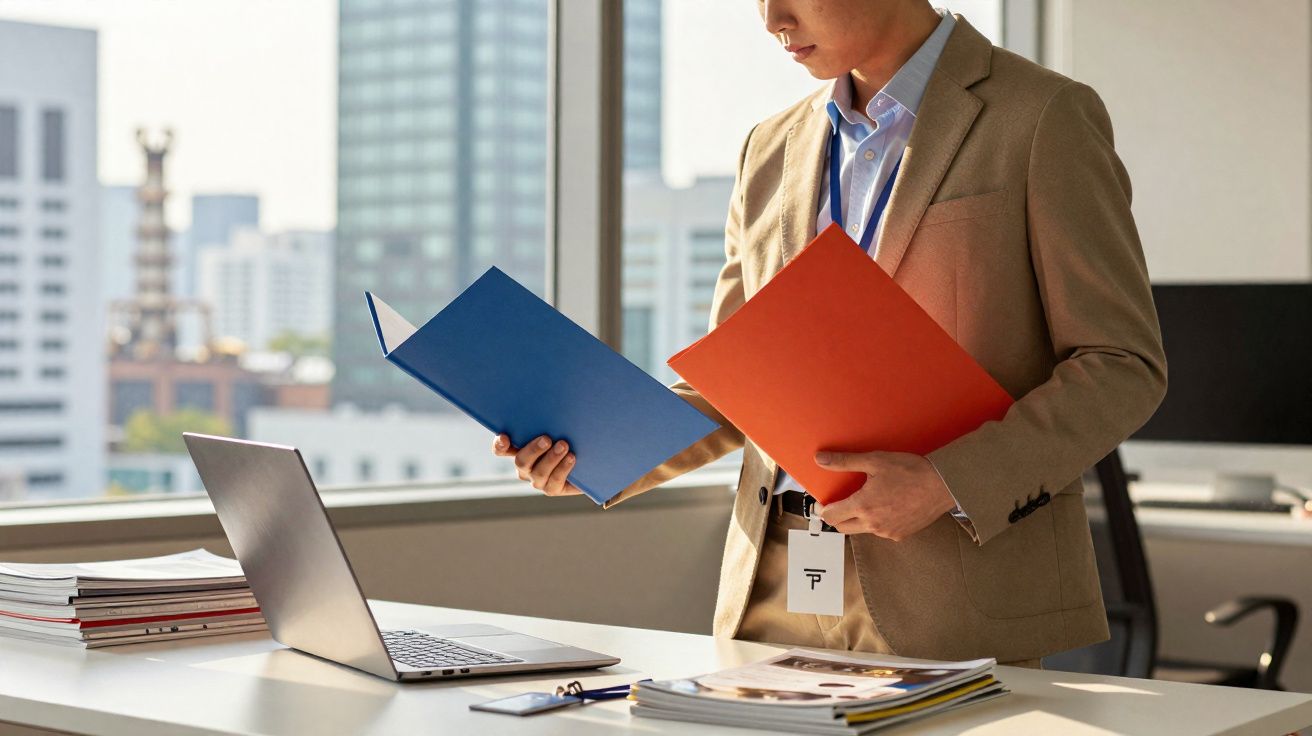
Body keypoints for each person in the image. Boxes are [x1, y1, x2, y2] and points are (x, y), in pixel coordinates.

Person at [493, 0, 1166, 669]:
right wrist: (594, 453)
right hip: (772, 584)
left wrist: (943, 483)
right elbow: (741, 381)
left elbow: (1121, 363)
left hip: (952, 589)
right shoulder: (768, 147)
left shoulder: (1043, 118)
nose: (771, 19)